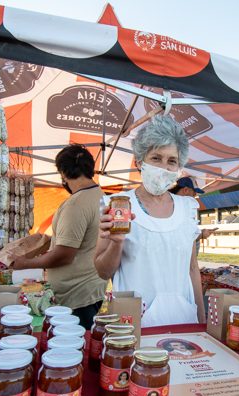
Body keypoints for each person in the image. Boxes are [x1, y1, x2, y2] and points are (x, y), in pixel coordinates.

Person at [95, 115, 204, 327]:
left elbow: (192, 268)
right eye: (156, 158)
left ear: (179, 167)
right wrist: (116, 243)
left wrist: (201, 317)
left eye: (172, 161)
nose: (164, 167)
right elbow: (103, 272)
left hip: (184, 322)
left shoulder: (187, 208)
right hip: (134, 324)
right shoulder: (118, 206)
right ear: (139, 161)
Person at [13, 145, 106, 329]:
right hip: (91, 288)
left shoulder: (76, 204)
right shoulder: (101, 196)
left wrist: (24, 263)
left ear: (63, 173)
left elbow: (64, 254)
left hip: (77, 295)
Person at [170, 176, 217, 253]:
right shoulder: (175, 208)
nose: (194, 199)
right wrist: (200, 235)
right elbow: (180, 237)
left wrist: (200, 234)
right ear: (185, 190)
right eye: (194, 195)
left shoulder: (172, 205)